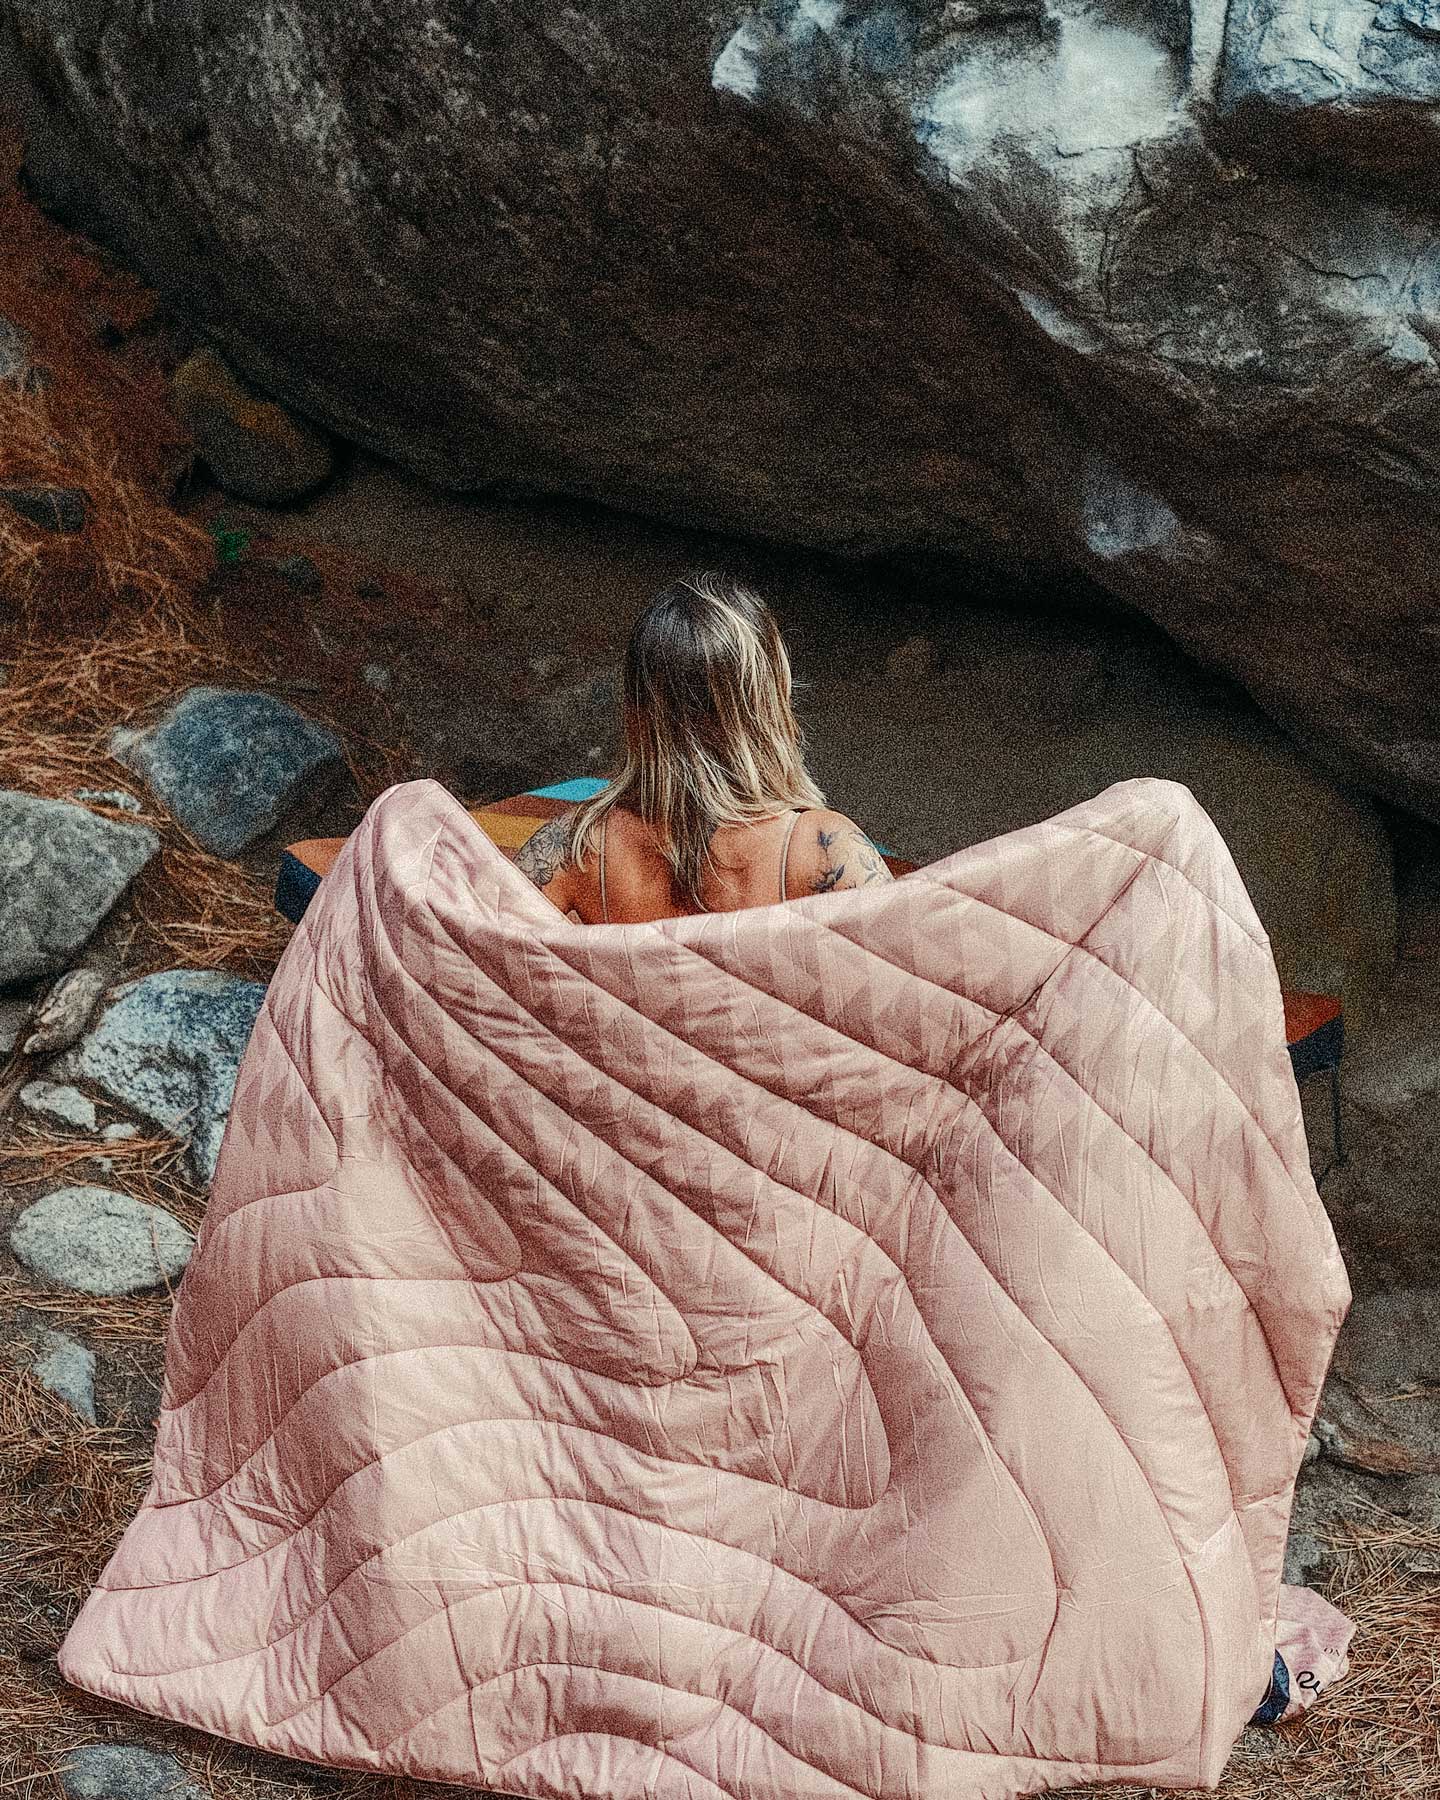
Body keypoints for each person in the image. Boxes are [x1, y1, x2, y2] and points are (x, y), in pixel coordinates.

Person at [514, 570, 893, 922]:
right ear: (769, 702)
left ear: (636, 708)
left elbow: (482, 954)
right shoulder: (823, 849)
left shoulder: (579, 846)